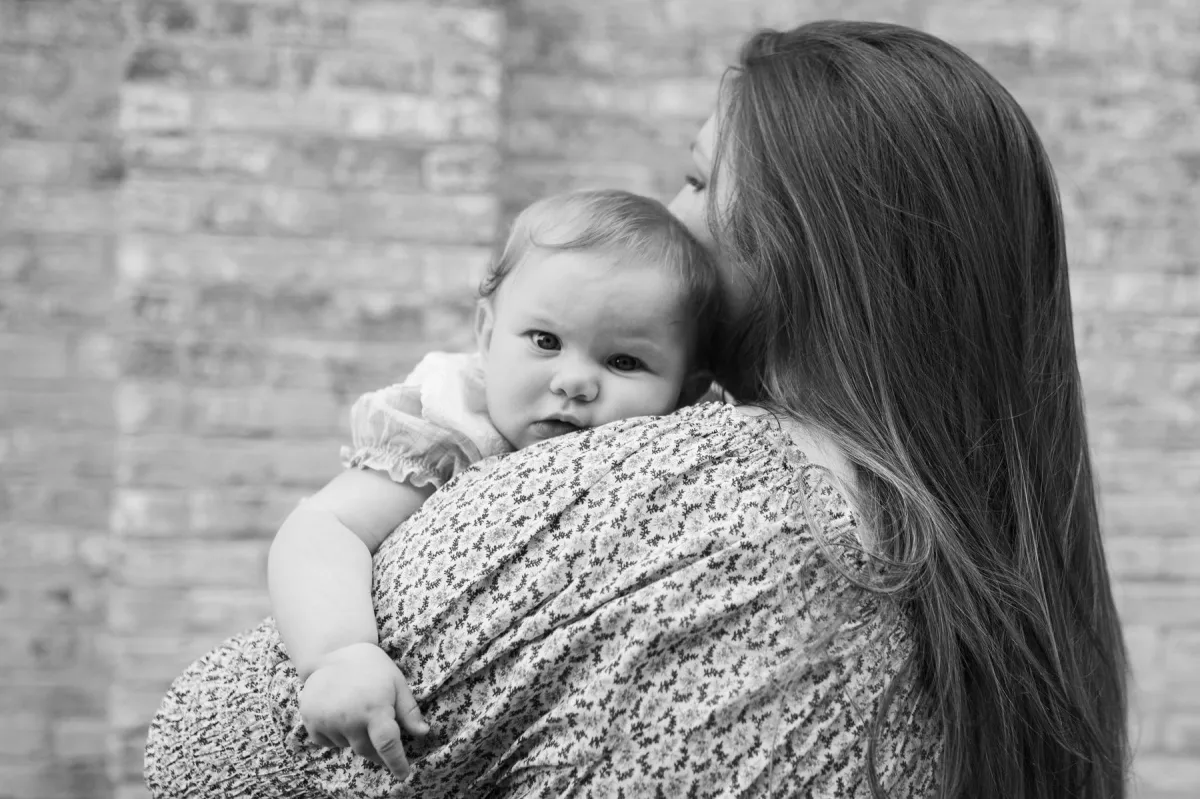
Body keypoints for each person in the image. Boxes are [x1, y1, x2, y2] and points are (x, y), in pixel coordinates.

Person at [144, 20, 1129, 799]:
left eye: (700, 179)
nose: (672, 214)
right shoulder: (982, 592)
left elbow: (218, 754)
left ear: (812, 244)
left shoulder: (689, 503)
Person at [267, 187, 721, 771]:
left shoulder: (676, 460)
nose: (574, 381)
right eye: (546, 342)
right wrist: (337, 654)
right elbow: (323, 527)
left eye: (623, 362)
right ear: (486, 333)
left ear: (685, 392)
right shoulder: (457, 431)